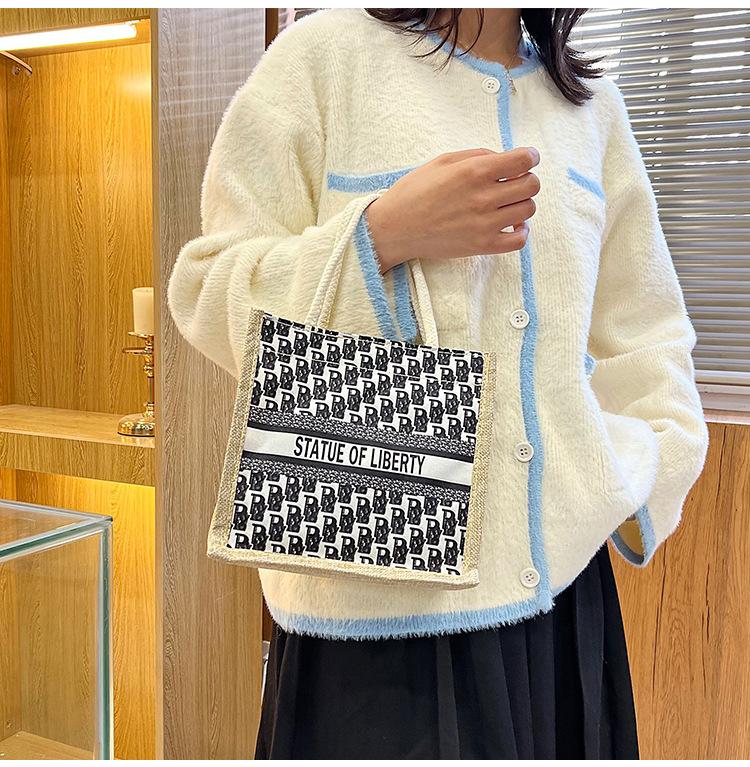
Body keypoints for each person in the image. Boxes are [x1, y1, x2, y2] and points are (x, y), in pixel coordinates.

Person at [167, 8, 709, 759]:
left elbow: (647, 330)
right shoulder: (323, 58)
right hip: (374, 596)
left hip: (562, 605)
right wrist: (381, 234)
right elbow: (207, 289)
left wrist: (638, 469)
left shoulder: (591, 107)